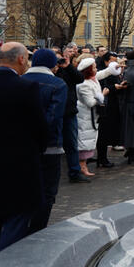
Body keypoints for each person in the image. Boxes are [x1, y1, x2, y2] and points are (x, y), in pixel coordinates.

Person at [0, 42, 47, 251]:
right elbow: (40, 127)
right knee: (17, 219)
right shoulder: (25, 87)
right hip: (18, 165)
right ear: (20, 59)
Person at [23, 48, 67, 233]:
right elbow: (54, 116)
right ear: (52, 64)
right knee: (48, 190)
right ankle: (38, 229)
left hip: (22, 145)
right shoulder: (58, 84)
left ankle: (20, 227)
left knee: (23, 187)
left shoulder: (19, 80)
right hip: (49, 145)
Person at [56, 43, 86, 182]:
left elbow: (79, 78)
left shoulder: (68, 69)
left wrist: (67, 66)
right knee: (53, 144)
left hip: (69, 111)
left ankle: (75, 172)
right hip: (55, 112)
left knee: (72, 144)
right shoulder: (52, 71)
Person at [75, 57, 106, 177]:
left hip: (91, 116)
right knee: (84, 141)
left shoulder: (92, 79)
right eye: (94, 67)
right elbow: (90, 102)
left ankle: (82, 165)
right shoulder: (83, 84)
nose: (96, 69)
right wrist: (102, 95)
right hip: (85, 116)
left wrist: (113, 68)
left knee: (88, 140)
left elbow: (102, 73)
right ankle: (82, 166)